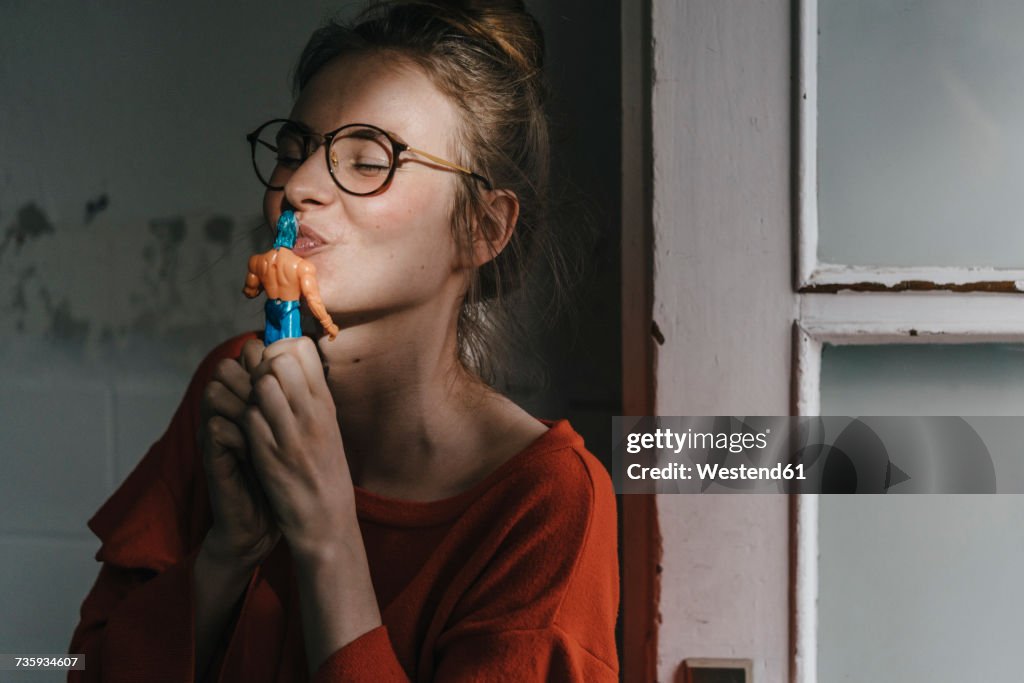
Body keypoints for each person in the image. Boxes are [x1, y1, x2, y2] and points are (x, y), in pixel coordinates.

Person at [68, 1, 619, 681]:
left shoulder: (544, 501)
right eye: (293, 151)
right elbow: (89, 668)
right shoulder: (235, 389)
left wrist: (328, 540)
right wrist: (227, 551)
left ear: (482, 226)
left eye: (367, 160)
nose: (297, 187)